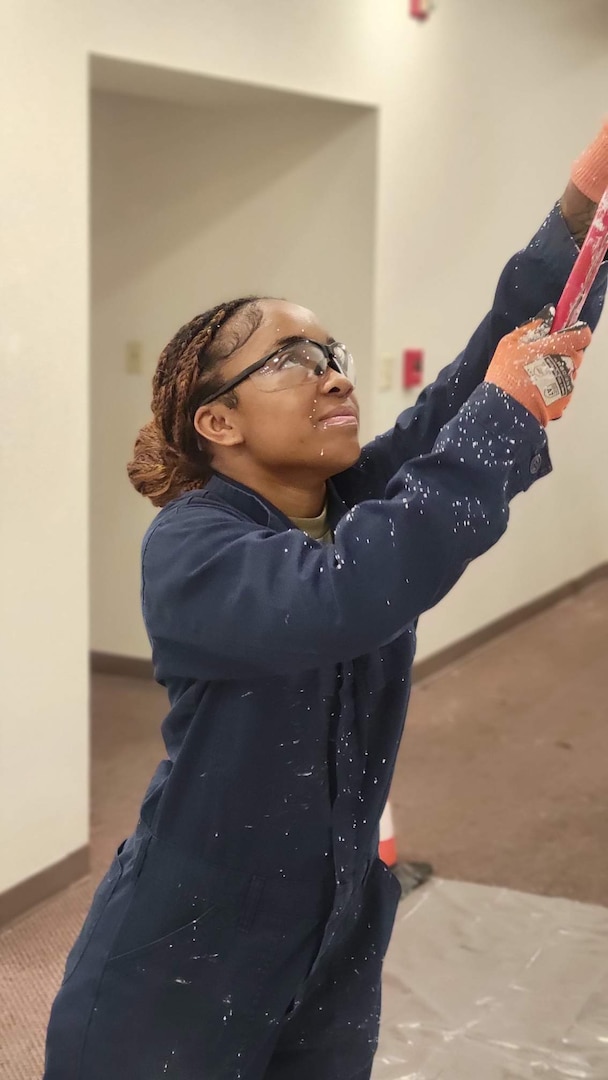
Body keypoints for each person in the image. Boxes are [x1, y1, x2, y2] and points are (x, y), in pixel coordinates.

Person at [44, 121, 608, 1080]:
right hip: (182, 953)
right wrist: (511, 412)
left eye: (332, 350)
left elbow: (489, 357)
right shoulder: (191, 547)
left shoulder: (355, 500)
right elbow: (351, 593)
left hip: (336, 925)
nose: (336, 372)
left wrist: (583, 209)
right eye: (293, 360)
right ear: (217, 421)